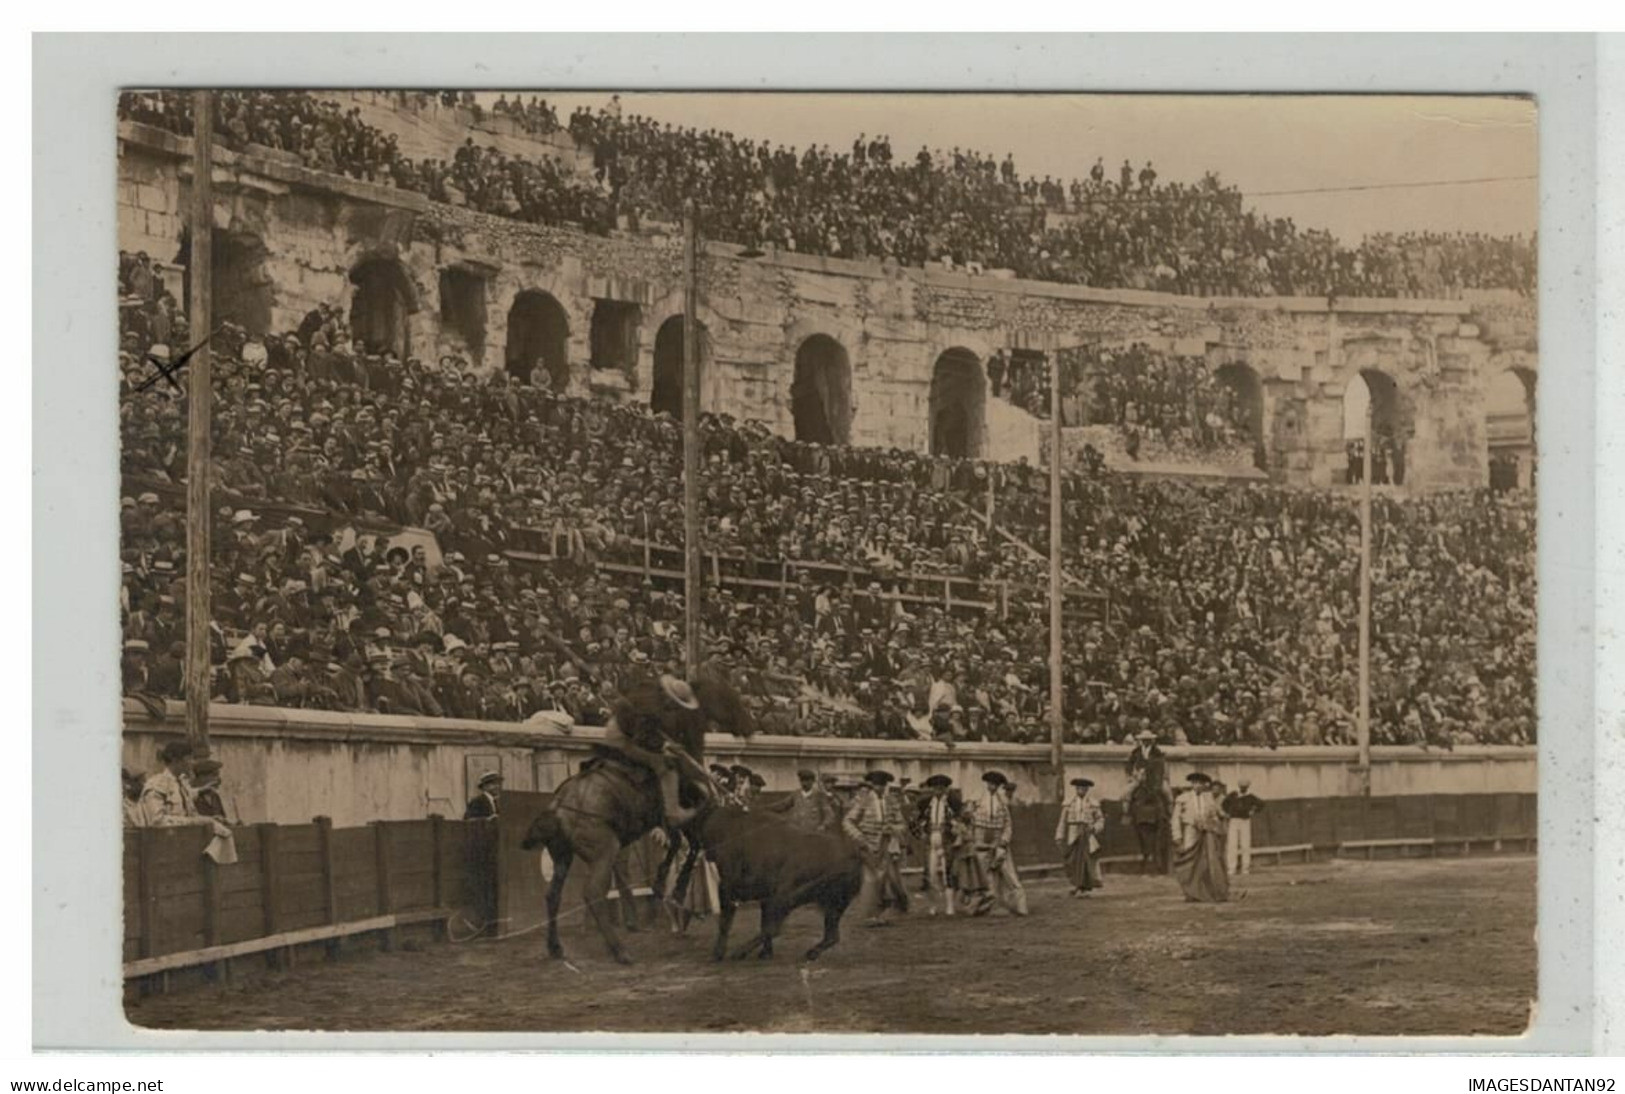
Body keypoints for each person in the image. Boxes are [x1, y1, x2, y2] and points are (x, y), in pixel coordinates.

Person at [842, 769, 903, 927]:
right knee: (871, 878)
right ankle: (869, 915)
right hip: (868, 843)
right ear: (872, 785)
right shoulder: (863, 800)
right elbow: (847, 821)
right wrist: (860, 838)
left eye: (882, 785)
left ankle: (881, 914)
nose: (879, 788)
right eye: (876, 785)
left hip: (886, 843)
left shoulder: (892, 801)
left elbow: (901, 823)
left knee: (884, 879)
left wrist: (894, 829)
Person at [966, 770, 1028, 916]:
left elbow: (1008, 825)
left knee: (1008, 872)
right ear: (986, 784)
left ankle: (1019, 905)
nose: (992, 787)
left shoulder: (1003, 802)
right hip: (980, 839)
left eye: (995, 784)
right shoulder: (976, 799)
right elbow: (970, 823)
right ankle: (985, 906)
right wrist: (972, 839)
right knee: (983, 875)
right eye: (990, 783)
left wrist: (1003, 842)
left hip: (998, 838)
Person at [139, 740, 230, 836]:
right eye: (188, 759)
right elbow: (156, 821)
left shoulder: (183, 785)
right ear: (176, 760)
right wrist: (198, 821)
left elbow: (191, 814)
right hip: (164, 842)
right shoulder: (156, 785)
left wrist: (210, 820)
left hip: (186, 840)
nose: (191, 763)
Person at [1172, 773, 1230, 903]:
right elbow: (1175, 818)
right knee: (1190, 860)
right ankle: (1190, 892)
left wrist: (1212, 826)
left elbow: (1214, 816)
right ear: (1192, 784)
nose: (1197, 785)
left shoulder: (1209, 799)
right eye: (1195, 783)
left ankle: (1202, 891)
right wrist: (1177, 836)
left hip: (1206, 832)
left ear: (1204, 785)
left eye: (1200, 783)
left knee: (1205, 862)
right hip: (1190, 830)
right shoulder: (1183, 798)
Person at [917, 774, 962, 916]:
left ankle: (950, 906)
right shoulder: (924, 803)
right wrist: (921, 834)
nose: (938, 791)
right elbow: (915, 821)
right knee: (930, 873)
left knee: (948, 872)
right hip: (931, 838)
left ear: (945, 789)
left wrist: (955, 834)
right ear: (932, 789)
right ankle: (933, 906)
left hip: (946, 839)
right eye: (936, 788)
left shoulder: (953, 802)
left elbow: (960, 822)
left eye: (941, 788)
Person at [1055, 776, 1105, 897]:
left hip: (1087, 834)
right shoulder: (1068, 803)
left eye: (1084, 788)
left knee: (1086, 860)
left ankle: (1084, 887)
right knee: (1073, 860)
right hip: (1072, 833)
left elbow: (1100, 820)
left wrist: (1094, 828)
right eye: (1079, 788)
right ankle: (1076, 885)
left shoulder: (1093, 803)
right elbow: (1062, 821)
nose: (1081, 790)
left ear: (1087, 790)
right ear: (1076, 789)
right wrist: (1059, 835)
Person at [766, 767, 836, 832]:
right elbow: (782, 805)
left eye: (807, 781)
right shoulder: (795, 794)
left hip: (813, 834)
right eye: (802, 781)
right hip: (796, 833)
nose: (804, 783)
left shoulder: (819, 796)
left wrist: (824, 826)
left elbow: (829, 815)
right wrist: (765, 808)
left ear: (812, 782)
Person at [1222, 778, 1265, 876]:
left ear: (1247, 787)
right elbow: (1224, 804)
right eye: (1242, 786)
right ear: (1239, 786)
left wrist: (1253, 811)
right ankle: (1231, 868)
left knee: (1245, 845)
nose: (1243, 788)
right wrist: (1228, 813)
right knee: (1232, 844)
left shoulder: (1250, 797)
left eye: (1245, 787)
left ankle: (1245, 868)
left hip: (1245, 821)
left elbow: (1261, 804)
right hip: (1234, 821)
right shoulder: (1233, 795)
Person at [190, 758, 235, 823]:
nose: (218, 779)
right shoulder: (192, 798)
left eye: (218, 775)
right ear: (202, 777)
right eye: (214, 775)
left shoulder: (215, 796)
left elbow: (222, 818)